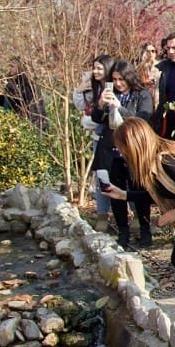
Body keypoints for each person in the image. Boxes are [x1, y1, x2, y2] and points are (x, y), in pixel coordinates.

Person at [105, 119, 175, 334]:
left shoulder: (165, 160)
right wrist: (124, 195)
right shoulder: (157, 159)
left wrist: (174, 212)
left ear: (134, 143)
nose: (120, 152)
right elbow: (159, 194)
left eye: (121, 147)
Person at [95, 59, 155, 248]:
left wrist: (119, 107)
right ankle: (123, 231)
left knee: (138, 190)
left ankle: (145, 231)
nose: (118, 83)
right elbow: (97, 119)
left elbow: (143, 119)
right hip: (111, 150)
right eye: (114, 79)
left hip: (133, 151)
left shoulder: (142, 95)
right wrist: (101, 104)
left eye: (122, 79)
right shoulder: (110, 93)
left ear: (129, 77)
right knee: (115, 192)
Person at [78, 54, 114, 225]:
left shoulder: (114, 86)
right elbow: (81, 106)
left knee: (123, 177)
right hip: (98, 137)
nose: (95, 71)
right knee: (101, 177)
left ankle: (132, 214)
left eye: (99, 68)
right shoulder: (93, 87)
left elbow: (107, 115)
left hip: (115, 136)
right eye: (94, 68)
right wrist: (79, 89)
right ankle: (102, 214)